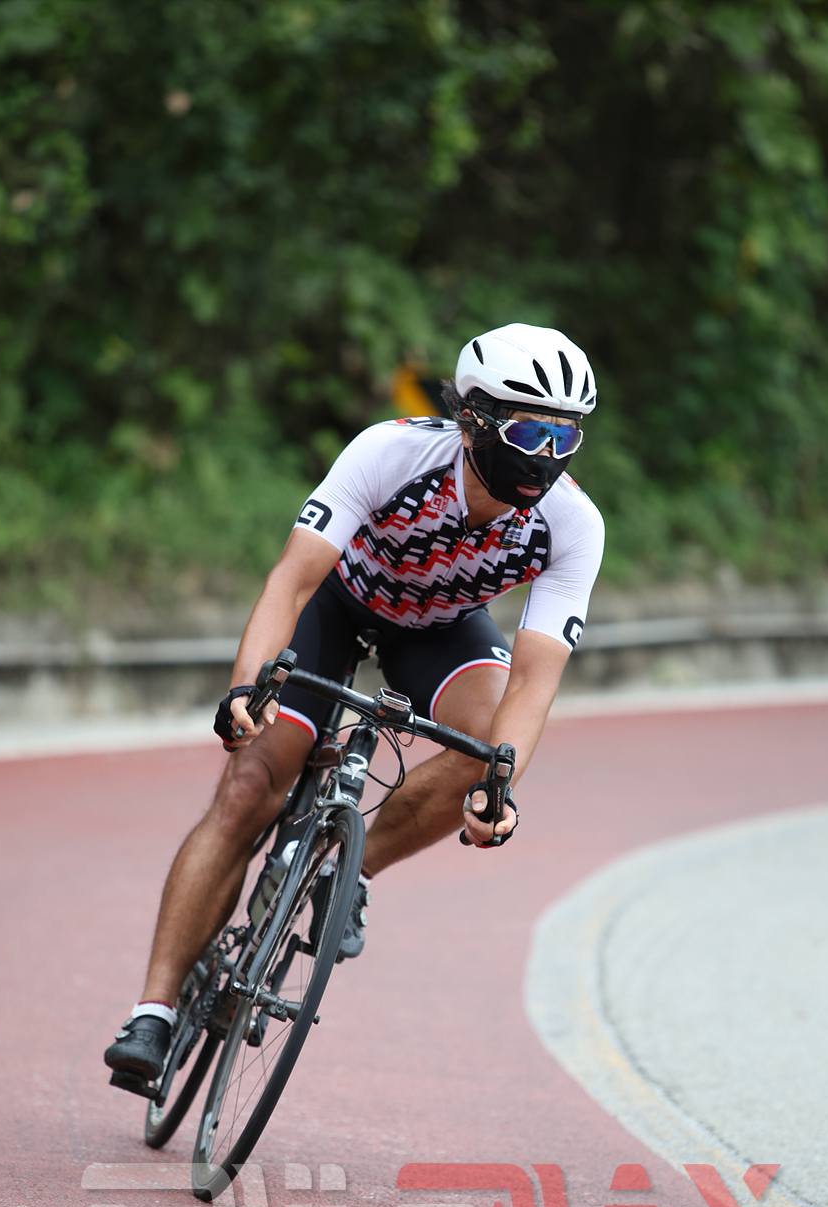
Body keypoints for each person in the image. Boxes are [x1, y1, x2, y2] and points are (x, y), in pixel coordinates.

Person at [104, 322, 605, 1088]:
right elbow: (292, 581)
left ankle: (347, 870)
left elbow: (534, 682)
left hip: (438, 630)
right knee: (249, 787)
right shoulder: (390, 452)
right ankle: (154, 1011)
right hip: (338, 604)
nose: (546, 455)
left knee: (486, 752)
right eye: (529, 432)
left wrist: (498, 790)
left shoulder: (573, 524)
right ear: (473, 418)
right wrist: (247, 686)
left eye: (564, 438)